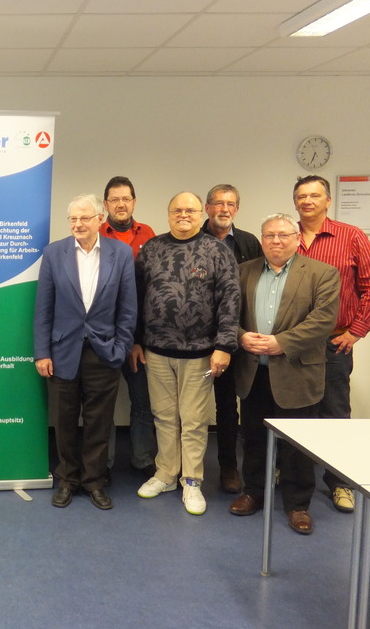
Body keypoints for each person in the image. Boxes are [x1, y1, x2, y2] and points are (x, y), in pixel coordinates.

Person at [229, 213, 339, 535]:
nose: (276, 241)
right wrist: (240, 337)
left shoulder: (322, 273)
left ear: (297, 239)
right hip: (253, 372)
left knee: (296, 445)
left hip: (296, 372)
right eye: (269, 235)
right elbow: (227, 315)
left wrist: (282, 343)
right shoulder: (243, 271)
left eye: (283, 235)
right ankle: (253, 492)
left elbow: (323, 321)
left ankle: (297, 504)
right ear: (261, 239)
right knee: (253, 437)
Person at [134, 192, 240, 515]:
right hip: (156, 351)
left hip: (199, 354)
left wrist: (224, 346)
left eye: (190, 210)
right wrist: (136, 340)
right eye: (177, 210)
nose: (183, 215)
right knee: (164, 417)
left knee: (193, 421)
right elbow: (136, 297)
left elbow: (230, 300)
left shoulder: (217, 250)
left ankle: (192, 481)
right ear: (168, 214)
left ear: (200, 214)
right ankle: (166, 473)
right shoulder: (152, 249)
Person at [35, 194, 136, 509]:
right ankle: (67, 479)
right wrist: (42, 352)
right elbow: (43, 308)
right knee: (64, 421)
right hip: (62, 351)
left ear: (99, 219)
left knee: (98, 422)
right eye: (73, 219)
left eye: (84, 218)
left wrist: (121, 347)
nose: (77, 224)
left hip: (104, 352)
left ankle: (94, 481)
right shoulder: (54, 253)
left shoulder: (120, 253)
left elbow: (128, 308)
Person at [293, 175, 370, 513]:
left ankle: (339, 483)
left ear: (328, 200)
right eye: (302, 196)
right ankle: (291, 475)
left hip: (334, 342)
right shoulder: (286, 236)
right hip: (292, 345)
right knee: (293, 412)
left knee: (334, 412)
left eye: (315, 195)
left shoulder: (351, 237)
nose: (308, 201)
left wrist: (356, 331)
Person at [202, 184, 262, 494]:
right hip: (202, 339)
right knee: (204, 407)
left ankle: (238, 468)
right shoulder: (193, 238)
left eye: (230, 204)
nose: (224, 209)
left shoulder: (250, 242)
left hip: (242, 336)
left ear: (237, 209)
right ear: (207, 208)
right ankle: (202, 468)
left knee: (240, 406)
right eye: (218, 203)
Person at [99, 176, 157, 478]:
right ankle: (103, 464)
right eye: (115, 199)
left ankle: (143, 459)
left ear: (134, 202)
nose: (121, 204)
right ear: (106, 204)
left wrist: (137, 339)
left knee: (143, 400)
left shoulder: (148, 234)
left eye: (126, 199)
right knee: (102, 403)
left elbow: (152, 290)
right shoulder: (95, 234)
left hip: (138, 335)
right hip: (103, 336)